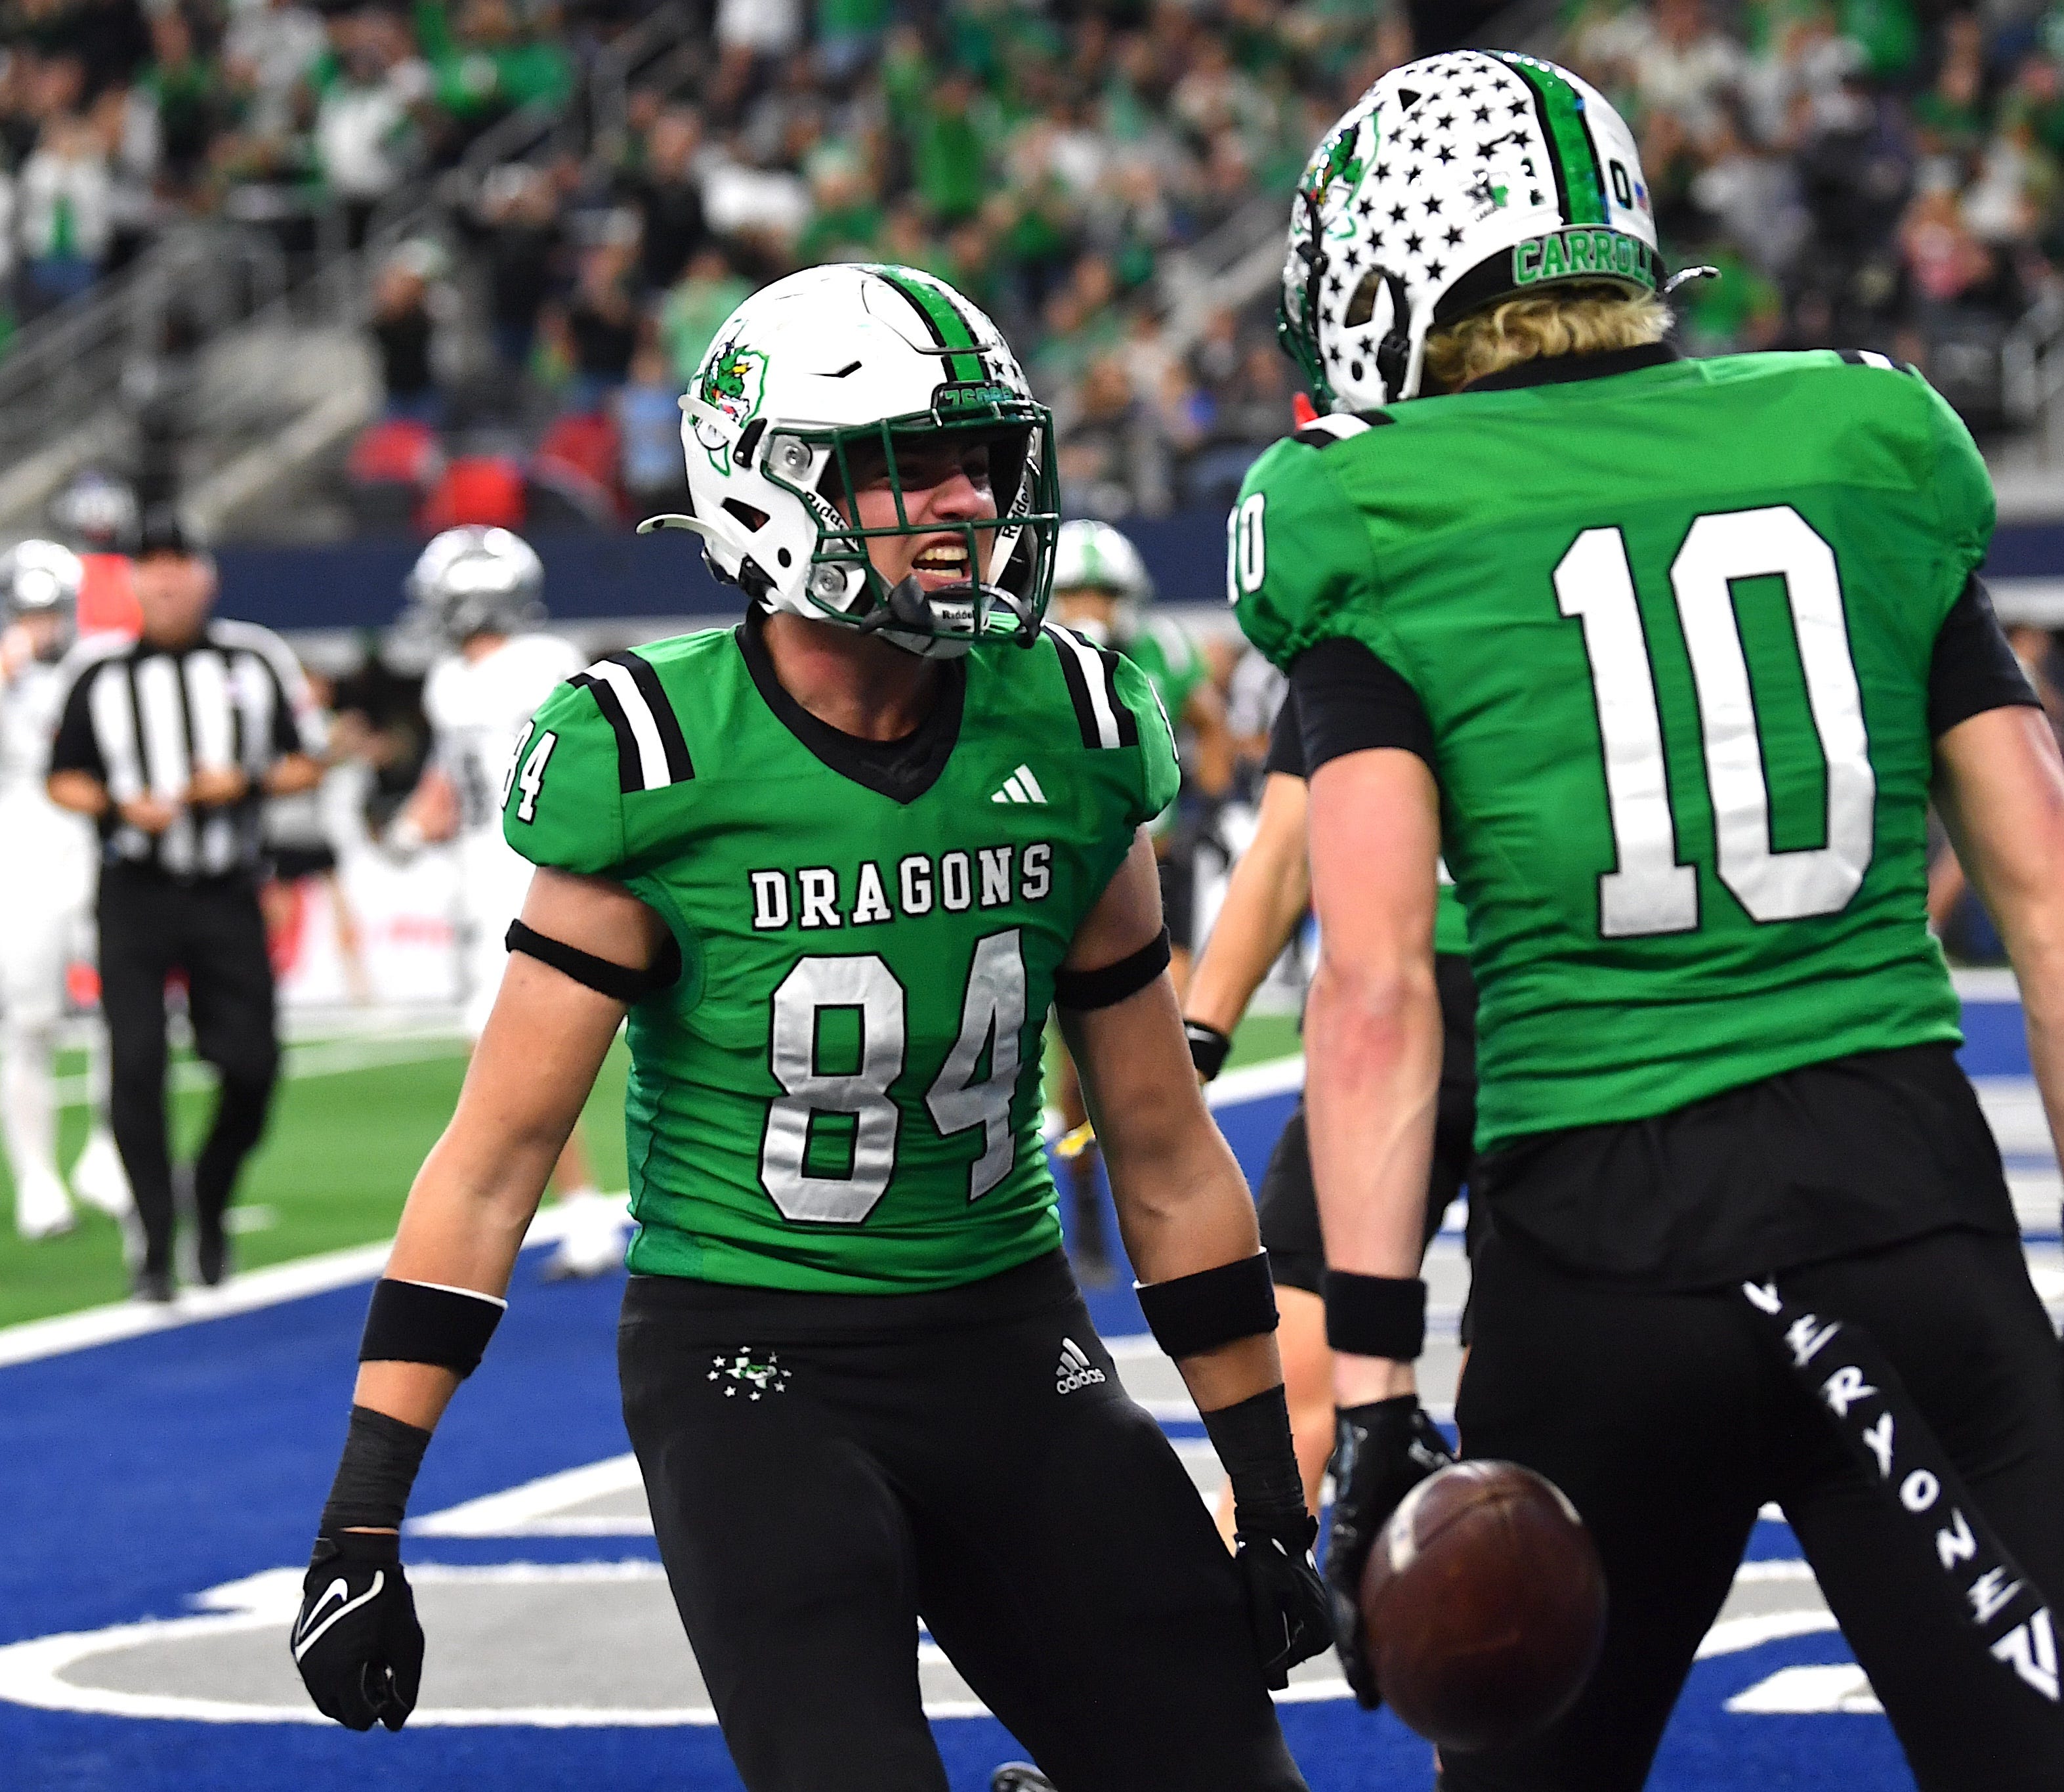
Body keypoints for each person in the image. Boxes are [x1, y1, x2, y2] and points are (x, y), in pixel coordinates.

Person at [1233, 51, 2064, 1792]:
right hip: (1897, 1224)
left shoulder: (1368, 505)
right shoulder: (1859, 441)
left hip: (1596, 1269)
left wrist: (1368, 1398)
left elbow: (1374, 990)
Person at [285, 265, 1328, 1791]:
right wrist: (363, 1516)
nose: (969, 503)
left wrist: (1267, 1497)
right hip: (749, 1360)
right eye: (913, 467)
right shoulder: (654, 756)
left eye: (981, 461)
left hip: (1009, 1338)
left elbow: (1163, 1153)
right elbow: (496, 1162)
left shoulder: (1073, 727)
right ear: (772, 489)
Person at [1181, 686, 1481, 1515]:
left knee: (1509, 1423)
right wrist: (1193, 1045)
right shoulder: (1352, 639)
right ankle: (1249, 1603)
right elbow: (1284, 849)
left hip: (1540, 1028)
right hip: (1378, 1027)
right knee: (1285, 1416)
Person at [47, 511, 325, 1302]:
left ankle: (210, 1190)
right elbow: (61, 776)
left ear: (208, 575)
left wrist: (247, 782)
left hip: (227, 887)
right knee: (134, 1065)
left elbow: (310, 760)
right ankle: (155, 1242)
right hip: (134, 889)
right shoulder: (98, 671)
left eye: (179, 561)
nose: (166, 577)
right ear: (133, 580)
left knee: (254, 1065)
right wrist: (118, 805)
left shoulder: (254, 657)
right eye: (151, 563)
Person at [389, 526, 625, 1277]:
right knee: (509, 1061)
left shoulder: (536, 666)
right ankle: (575, 1215)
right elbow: (452, 780)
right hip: (485, 874)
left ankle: (574, 1218)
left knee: (516, 1062)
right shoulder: (457, 678)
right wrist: (413, 825)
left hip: (525, 875)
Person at [1045, 519, 1236, 1277]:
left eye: (1101, 591)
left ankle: (1171, 1196)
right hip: (1072, 880)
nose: (1089, 605)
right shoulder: (1022, 663)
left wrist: (1208, 809)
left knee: (1174, 1037)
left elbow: (1210, 727)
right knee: (1076, 1078)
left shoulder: (1164, 652)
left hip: (1156, 871)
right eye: (1075, 592)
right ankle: (1088, 1201)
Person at [0, 542, 125, 1240]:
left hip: (90, 845)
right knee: (31, 1021)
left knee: (124, 1005)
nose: (43, 625)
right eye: (30, 611)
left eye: (51, 610)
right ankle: (37, 1178)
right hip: (20, 856)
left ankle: (107, 1150)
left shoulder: (94, 665)